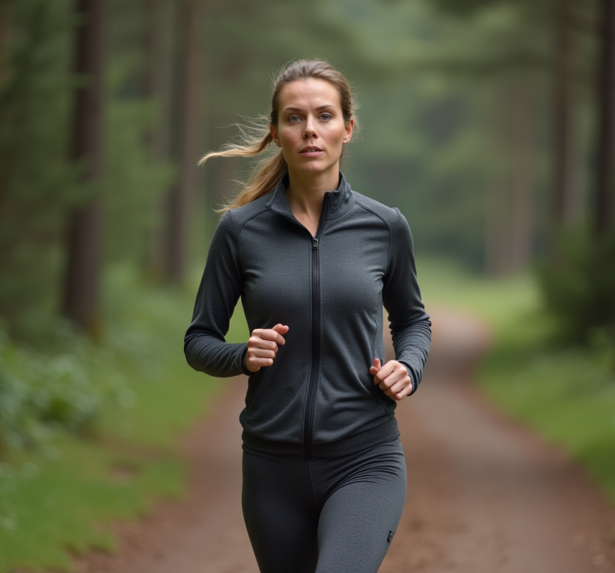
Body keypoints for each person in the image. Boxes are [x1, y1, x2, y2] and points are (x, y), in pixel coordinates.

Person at [184, 59, 431, 573]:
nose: (310, 130)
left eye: (324, 115)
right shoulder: (240, 231)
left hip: (365, 458)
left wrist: (408, 365)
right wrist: (242, 355)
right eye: (294, 118)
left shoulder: (384, 226)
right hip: (271, 468)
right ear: (276, 133)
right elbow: (199, 340)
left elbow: (413, 320)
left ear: (347, 127)